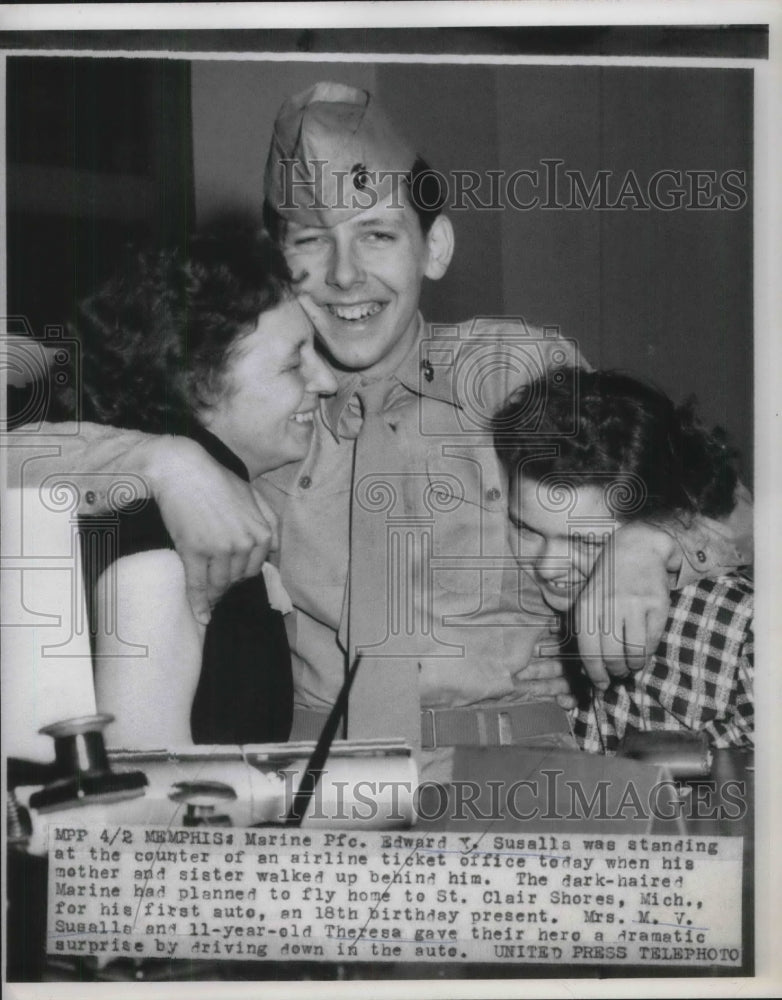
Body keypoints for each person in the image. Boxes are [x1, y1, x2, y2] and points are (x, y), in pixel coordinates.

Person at [10, 83, 752, 762]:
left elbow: (741, 513)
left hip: (514, 768)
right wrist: (166, 461)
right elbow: (21, 457)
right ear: (277, 263)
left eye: (378, 235)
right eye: (309, 239)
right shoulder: (259, 409)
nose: (343, 275)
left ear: (435, 247)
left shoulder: (516, 373)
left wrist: (648, 542)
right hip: (317, 783)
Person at [66, 231, 337, 747]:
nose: (325, 380)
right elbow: (151, 801)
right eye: (293, 362)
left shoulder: (199, 506)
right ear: (199, 383)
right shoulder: (161, 543)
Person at [493, 368, 753, 751]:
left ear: (658, 519)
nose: (548, 566)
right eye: (526, 529)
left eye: (584, 540)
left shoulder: (739, 629)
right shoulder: (519, 603)